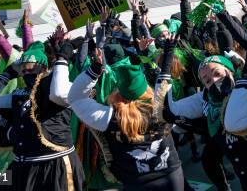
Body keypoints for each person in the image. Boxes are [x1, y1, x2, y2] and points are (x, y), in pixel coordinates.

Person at [163, 41, 247, 191]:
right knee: (209, 159)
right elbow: (169, 109)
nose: (213, 80)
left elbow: (233, 122)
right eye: (206, 80)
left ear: (230, 71)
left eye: (217, 73)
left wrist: (246, 78)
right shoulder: (207, 100)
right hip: (246, 173)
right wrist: (166, 65)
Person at [68, 43, 184, 191]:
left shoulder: (109, 117)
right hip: (172, 178)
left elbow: (75, 98)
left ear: (118, 94)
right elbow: (164, 80)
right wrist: (168, 52)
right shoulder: (160, 108)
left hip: (135, 183)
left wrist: (94, 70)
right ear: (147, 89)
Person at [0, 29, 83, 190]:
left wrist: (61, 58)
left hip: (55, 166)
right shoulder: (19, 94)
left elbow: (58, 93)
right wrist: (9, 73)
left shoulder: (58, 88)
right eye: (24, 69)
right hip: (24, 168)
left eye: (32, 69)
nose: (28, 73)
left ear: (43, 68)